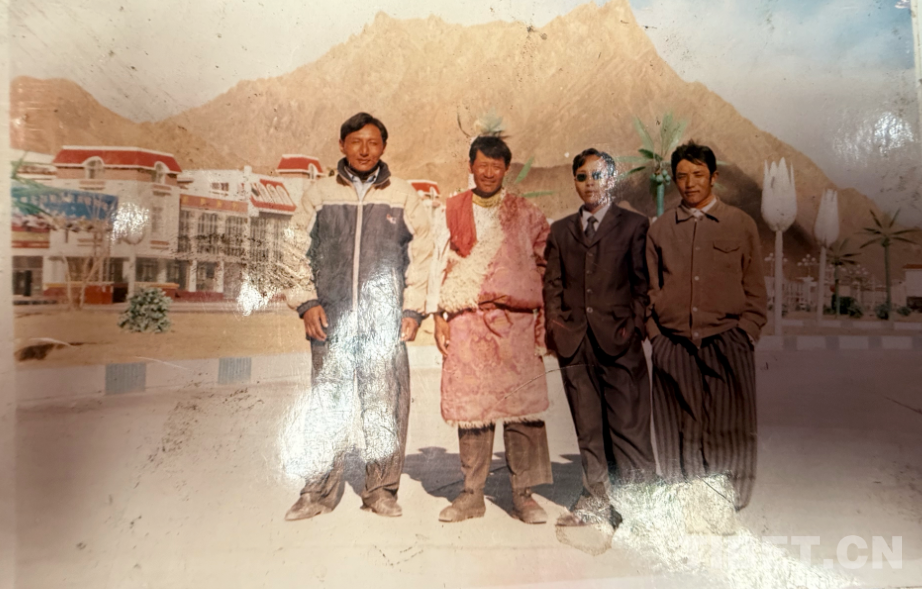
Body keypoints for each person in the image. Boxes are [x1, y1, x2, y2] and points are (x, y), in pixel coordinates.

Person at [281, 112, 431, 520]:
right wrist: (307, 302)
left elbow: (423, 257)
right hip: (330, 322)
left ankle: (381, 490)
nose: (364, 150)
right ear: (342, 145)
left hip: (384, 325)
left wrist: (413, 309)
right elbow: (292, 249)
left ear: (384, 147)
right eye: (356, 142)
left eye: (373, 142)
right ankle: (316, 493)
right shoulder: (318, 194)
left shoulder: (404, 196)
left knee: (384, 406)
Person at [427, 135, 552, 524]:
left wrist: (540, 317)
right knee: (472, 409)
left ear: (506, 170)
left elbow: (547, 266)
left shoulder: (527, 214)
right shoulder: (451, 211)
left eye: (496, 167)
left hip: (516, 323)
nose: (488, 173)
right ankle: (471, 494)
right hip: (467, 319)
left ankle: (524, 495)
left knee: (523, 410)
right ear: (470, 166)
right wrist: (437, 316)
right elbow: (436, 263)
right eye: (482, 165)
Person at [646, 141, 767, 510]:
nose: (690, 183)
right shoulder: (660, 230)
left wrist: (746, 332)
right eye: (682, 176)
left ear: (714, 177)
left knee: (730, 425)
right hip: (673, 344)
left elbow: (755, 288)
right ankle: (685, 500)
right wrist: (656, 337)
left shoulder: (740, 224)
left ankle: (727, 502)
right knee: (677, 424)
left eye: (698, 174)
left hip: (728, 339)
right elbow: (649, 289)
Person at [543, 148, 655, 528]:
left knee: (629, 429)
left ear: (611, 179)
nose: (590, 183)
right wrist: (557, 329)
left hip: (620, 344)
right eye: (582, 176)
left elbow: (642, 284)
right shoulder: (560, 231)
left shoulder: (634, 225)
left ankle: (641, 510)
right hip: (575, 345)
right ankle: (595, 500)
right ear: (574, 181)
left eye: (598, 175)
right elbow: (552, 286)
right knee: (588, 430)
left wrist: (633, 327)